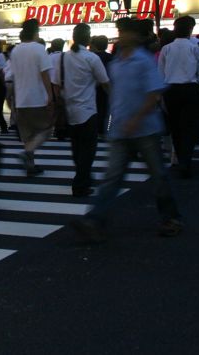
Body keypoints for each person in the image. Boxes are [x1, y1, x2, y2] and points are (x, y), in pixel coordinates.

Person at [72, 18, 182, 241]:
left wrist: (137, 118)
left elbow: (154, 94)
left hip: (146, 129)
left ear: (137, 36)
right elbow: (116, 97)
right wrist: (114, 124)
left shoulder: (144, 61)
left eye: (125, 32)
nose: (120, 35)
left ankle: (171, 217)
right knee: (112, 177)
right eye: (120, 31)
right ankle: (95, 220)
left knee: (158, 175)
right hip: (121, 130)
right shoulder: (116, 62)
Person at [50, 24, 110, 197]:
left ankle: (84, 177)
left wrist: (60, 100)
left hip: (70, 110)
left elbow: (56, 83)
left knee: (77, 148)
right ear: (88, 39)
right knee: (88, 149)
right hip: (88, 109)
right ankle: (81, 183)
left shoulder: (62, 58)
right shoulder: (91, 58)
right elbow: (105, 81)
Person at [158, 16, 199, 177]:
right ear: (190, 29)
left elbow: (160, 73)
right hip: (191, 90)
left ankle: (181, 159)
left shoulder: (166, 49)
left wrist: (160, 97)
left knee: (175, 128)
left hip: (170, 91)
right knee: (189, 127)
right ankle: (186, 161)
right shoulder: (194, 48)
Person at [9, 19, 55, 176]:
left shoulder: (15, 51)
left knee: (28, 136)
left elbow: (13, 76)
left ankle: (30, 166)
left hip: (21, 99)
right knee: (47, 130)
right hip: (37, 98)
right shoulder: (39, 49)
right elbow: (45, 74)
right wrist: (50, 95)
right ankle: (27, 154)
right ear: (36, 32)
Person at [90, 35, 113, 139]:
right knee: (105, 109)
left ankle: (94, 129)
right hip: (106, 85)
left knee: (94, 109)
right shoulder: (110, 57)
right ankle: (104, 130)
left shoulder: (91, 57)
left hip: (92, 86)